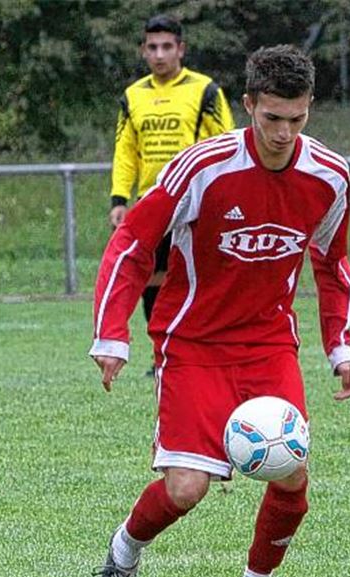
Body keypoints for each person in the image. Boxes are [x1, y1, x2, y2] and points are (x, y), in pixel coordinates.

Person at [90, 45, 350, 577]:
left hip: (267, 345)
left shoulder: (329, 177)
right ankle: (124, 550)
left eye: (297, 118)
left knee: (292, 477)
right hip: (192, 343)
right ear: (248, 106)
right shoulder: (203, 167)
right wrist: (113, 332)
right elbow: (133, 243)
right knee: (186, 488)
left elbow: (332, 265)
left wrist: (339, 347)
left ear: (309, 108)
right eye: (272, 119)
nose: (284, 133)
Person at [109, 14, 235, 372]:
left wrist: (224, 196)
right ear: (143, 51)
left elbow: (226, 142)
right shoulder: (133, 96)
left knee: (201, 277)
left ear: (181, 49)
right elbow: (125, 151)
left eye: (167, 46)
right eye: (152, 47)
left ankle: (206, 347)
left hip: (197, 204)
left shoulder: (205, 90)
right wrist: (120, 199)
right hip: (153, 202)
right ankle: (160, 353)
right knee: (150, 275)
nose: (159, 54)